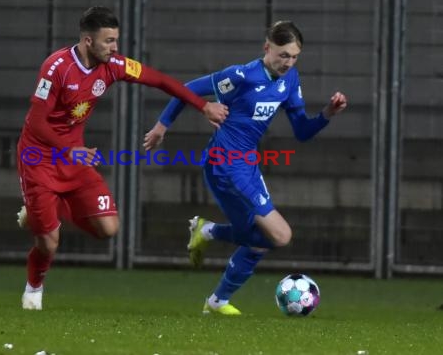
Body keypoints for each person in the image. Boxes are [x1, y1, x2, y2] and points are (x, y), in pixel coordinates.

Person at [17, 6, 228, 310]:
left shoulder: (114, 65)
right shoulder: (56, 68)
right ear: (88, 41)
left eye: (116, 40)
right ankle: (33, 289)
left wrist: (202, 106)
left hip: (74, 158)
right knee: (49, 242)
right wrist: (69, 149)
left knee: (108, 229)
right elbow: (36, 123)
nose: (115, 48)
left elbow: (159, 81)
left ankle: (44, 214)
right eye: (109, 41)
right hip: (39, 157)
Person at [143, 21, 347, 315]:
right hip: (224, 166)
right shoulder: (241, 76)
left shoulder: (289, 80)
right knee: (280, 235)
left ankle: (217, 300)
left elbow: (301, 131)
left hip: (247, 166)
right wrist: (162, 126)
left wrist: (327, 113)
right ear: (267, 48)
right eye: (283, 55)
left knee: (262, 241)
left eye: (294, 57)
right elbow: (186, 90)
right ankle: (209, 235)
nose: (288, 63)